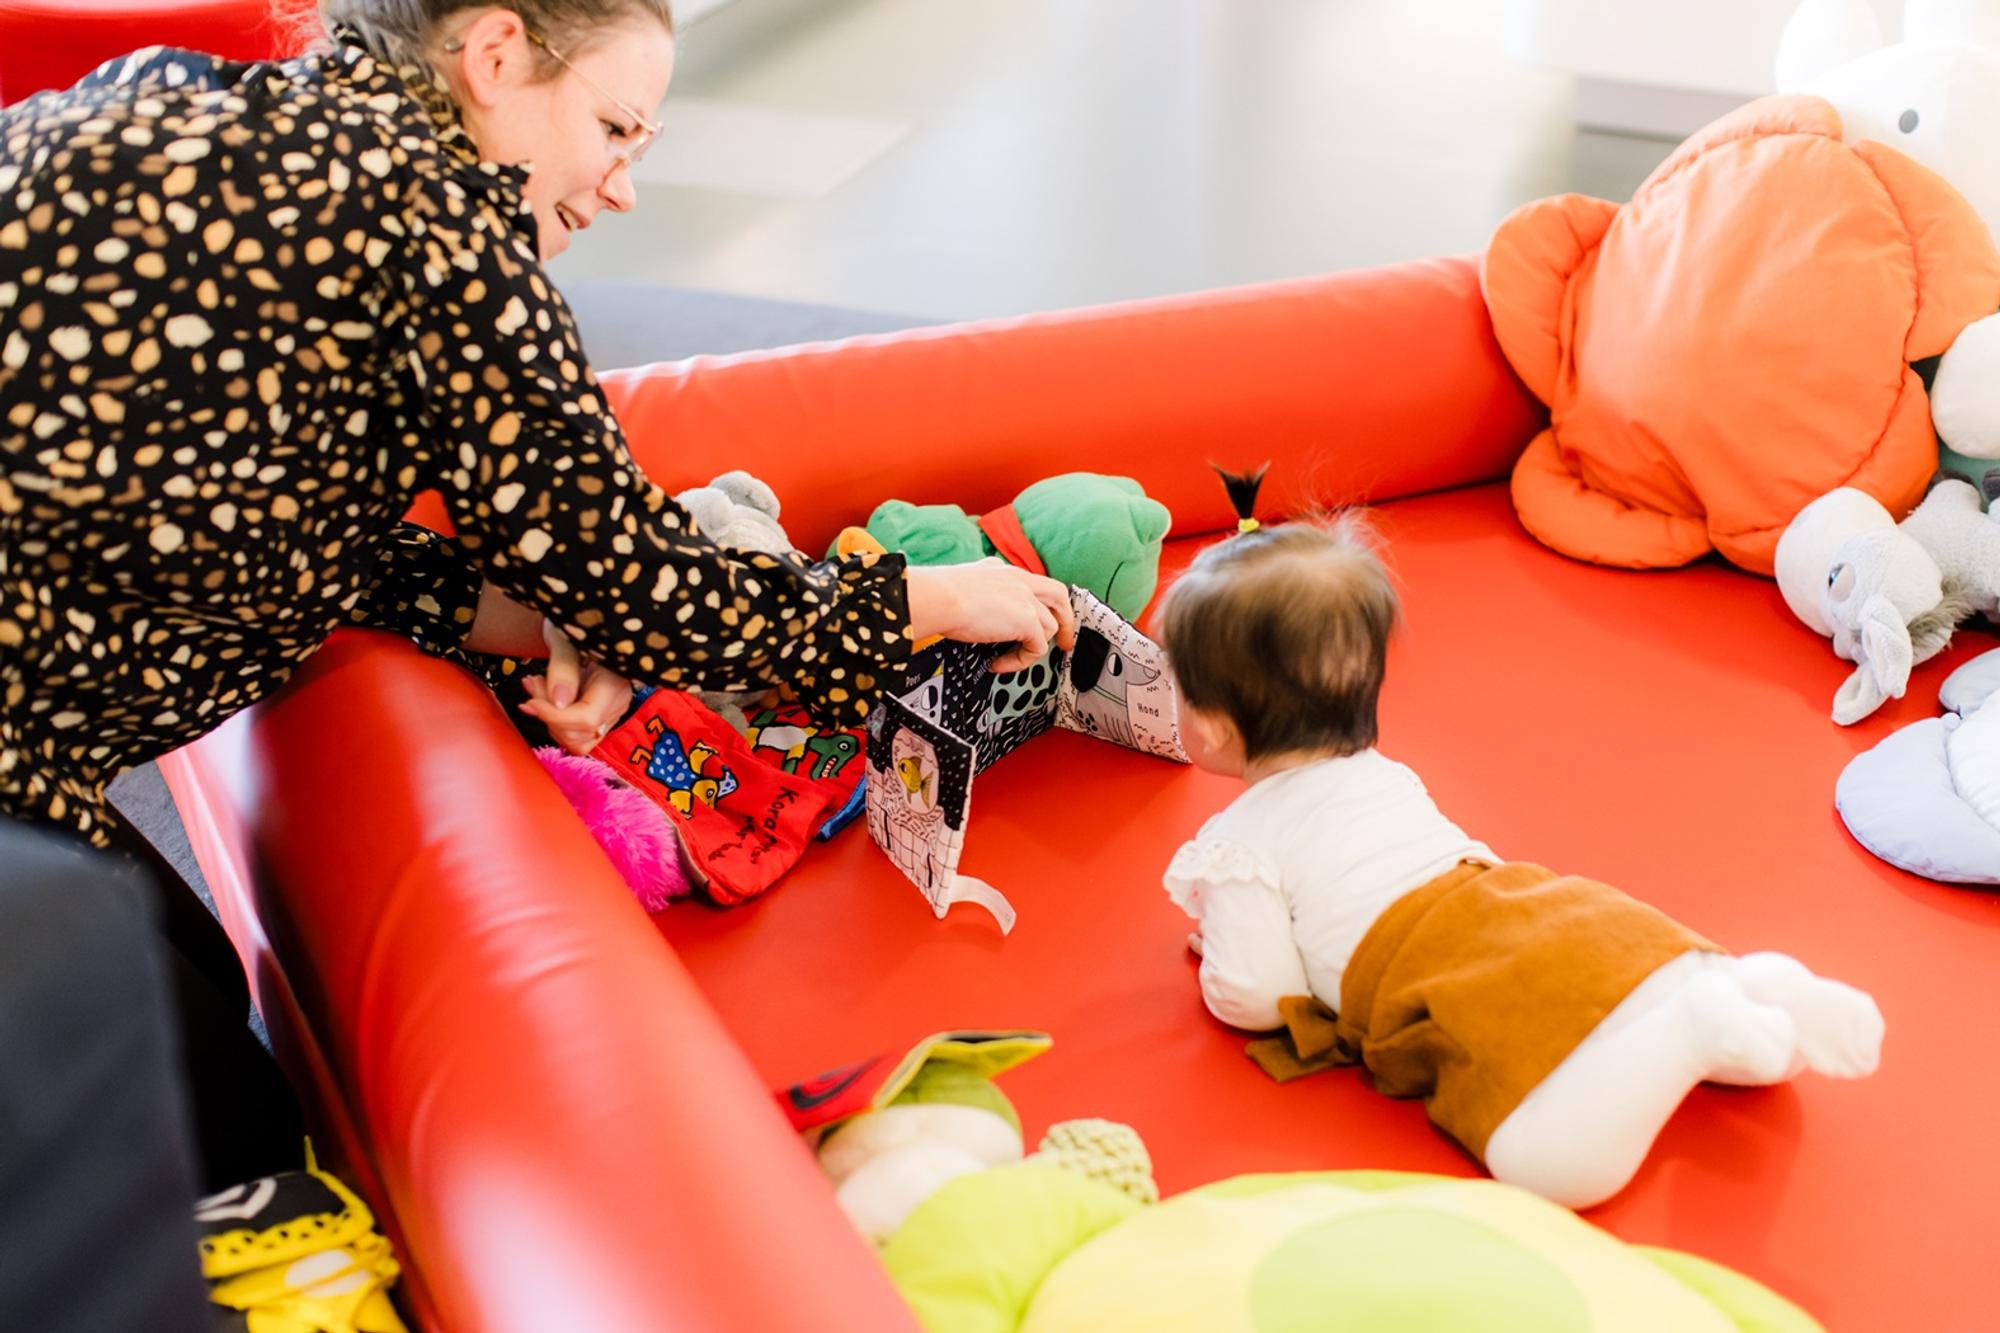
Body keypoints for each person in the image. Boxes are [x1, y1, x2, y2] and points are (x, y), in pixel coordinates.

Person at [0, 0, 1074, 1184]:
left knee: (189, 1017)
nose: (618, 188)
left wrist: (516, 612)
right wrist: (916, 601)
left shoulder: (197, 102)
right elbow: (652, 589)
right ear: (495, 54)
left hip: (35, 754)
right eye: (613, 128)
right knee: (219, 1147)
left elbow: (258, 512)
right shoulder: (435, 230)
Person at [1155, 511, 1883, 1208]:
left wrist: (1225, 939)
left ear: (1213, 723)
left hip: (1436, 965)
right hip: (1534, 905)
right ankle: (1754, 985)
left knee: (1547, 1165)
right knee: (1659, 999)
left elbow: (1255, 995)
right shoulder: (1384, 771)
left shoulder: (1239, 840)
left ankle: (1695, 1025)